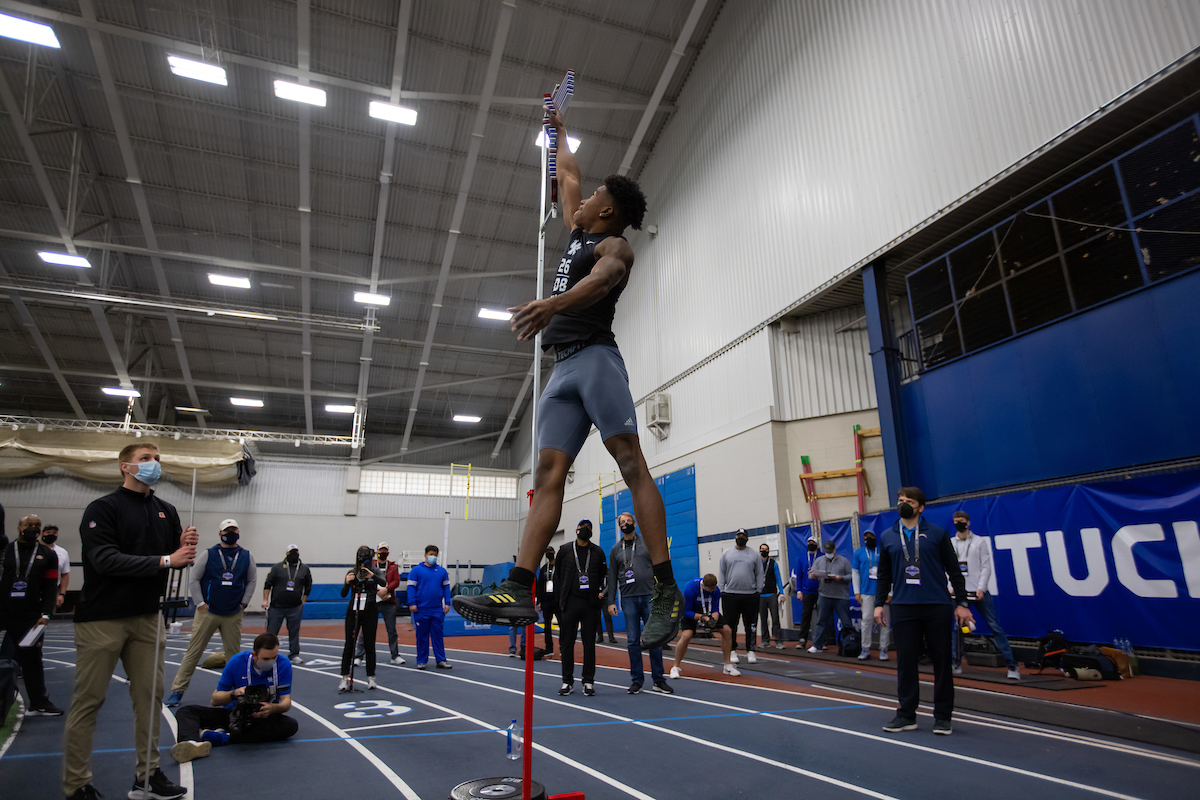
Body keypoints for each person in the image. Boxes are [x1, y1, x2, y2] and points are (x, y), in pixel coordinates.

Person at [453, 105, 682, 650]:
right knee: (547, 475)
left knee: (631, 463)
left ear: (607, 211)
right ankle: (519, 586)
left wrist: (552, 304)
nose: (581, 198)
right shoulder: (578, 229)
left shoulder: (613, 246)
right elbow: (569, 174)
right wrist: (558, 133)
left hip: (597, 360)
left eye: (594, 195)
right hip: (561, 370)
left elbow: (605, 279)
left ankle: (666, 590)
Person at [63, 442, 198, 800]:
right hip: (102, 618)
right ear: (125, 466)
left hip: (148, 617)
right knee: (89, 701)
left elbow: (175, 559)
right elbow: (105, 559)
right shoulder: (103, 508)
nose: (154, 464)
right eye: (145, 459)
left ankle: (147, 777)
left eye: (157, 459)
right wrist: (168, 559)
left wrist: (183, 547)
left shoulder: (167, 510)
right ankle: (76, 785)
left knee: (150, 699)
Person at [875, 487, 972, 736]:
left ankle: (943, 717)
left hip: (936, 605)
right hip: (903, 606)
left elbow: (954, 571)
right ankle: (906, 715)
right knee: (906, 662)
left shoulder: (937, 533)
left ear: (921, 507)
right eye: (900, 500)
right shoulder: (887, 536)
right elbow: (883, 574)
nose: (903, 504)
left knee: (942, 662)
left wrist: (962, 604)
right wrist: (878, 604)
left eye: (909, 501)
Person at [166, 519, 257, 707]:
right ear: (220, 533)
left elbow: (252, 580)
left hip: (233, 612)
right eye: (227, 530)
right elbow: (194, 578)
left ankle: (235, 694)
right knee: (194, 652)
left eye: (233, 529)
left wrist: (244, 603)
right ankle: (177, 690)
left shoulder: (247, 556)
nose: (230, 532)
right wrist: (200, 603)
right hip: (208, 612)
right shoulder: (209, 554)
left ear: (238, 532)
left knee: (233, 656)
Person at [170, 632, 298, 763]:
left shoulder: (283, 664)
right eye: (265, 659)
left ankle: (224, 737)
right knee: (186, 711)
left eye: (274, 658)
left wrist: (272, 708)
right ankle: (190, 744)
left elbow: (286, 702)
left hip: (263, 717)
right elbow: (215, 700)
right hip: (233, 715)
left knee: (291, 726)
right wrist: (233, 694)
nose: (270, 662)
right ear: (254, 655)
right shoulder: (237, 662)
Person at [0, 514, 62, 715]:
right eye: (29, 525)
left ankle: (38, 703)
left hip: (31, 616)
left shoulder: (48, 555)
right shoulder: (6, 551)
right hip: (3, 610)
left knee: (32, 660)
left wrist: (46, 614)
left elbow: (51, 587)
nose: (33, 528)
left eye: (37, 525)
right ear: (19, 527)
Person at [950, 511, 1019, 680]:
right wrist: (950, 586)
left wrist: (981, 588)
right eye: (956, 521)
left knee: (994, 626)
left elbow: (986, 566)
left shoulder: (979, 542)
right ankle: (955, 663)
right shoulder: (951, 543)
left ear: (968, 522)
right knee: (957, 629)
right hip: (959, 593)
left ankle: (1012, 666)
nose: (959, 524)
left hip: (978, 592)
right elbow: (947, 568)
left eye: (961, 521)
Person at [608, 513, 671, 694]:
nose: (625, 524)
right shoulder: (615, 550)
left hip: (650, 596)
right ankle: (637, 680)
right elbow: (612, 576)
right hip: (628, 599)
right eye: (622, 522)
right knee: (632, 641)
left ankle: (658, 679)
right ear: (619, 526)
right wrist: (611, 601)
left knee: (654, 638)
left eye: (628, 521)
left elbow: (659, 567)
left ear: (635, 524)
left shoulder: (647, 543)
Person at [553, 520, 607, 696]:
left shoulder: (597, 552)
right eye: (583, 528)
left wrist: (601, 593)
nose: (586, 531)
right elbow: (558, 576)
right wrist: (560, 600)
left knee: (589, 643)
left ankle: (588, 681)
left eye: (589, 529)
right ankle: (567, 681)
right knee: (567, 643)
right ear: (577, 530)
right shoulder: (565, 550)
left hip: (590, 604)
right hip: (570, 602)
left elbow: (604, 575)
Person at [670, 574, 738, 678]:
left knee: (727, 631)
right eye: (709, 589)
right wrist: (702, 617)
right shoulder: (690, 589)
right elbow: (686, 611)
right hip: (692, 612)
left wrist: (714, 616)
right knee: (686, 636)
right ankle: (675, 666)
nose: (711, 591)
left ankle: (728, 665)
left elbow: (715, 608)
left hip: (707, 611)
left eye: (713, 589)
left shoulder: (716, 590)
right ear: (703, 586)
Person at [339, 545, 386, 690]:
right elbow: (343, 593)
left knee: (370, 644)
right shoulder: (352, 572)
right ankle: (344, 677)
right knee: (349, 644)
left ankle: (371, 677)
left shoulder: (375, 571)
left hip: (370, 608)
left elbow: (384, 583)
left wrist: (372, 576)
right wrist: (347, 582)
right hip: (354, 609)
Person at [262, 544, 312, 665]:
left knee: (294, 631)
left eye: (296, 552)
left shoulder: (304, 569)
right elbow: (268, 584)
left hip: (295, 607)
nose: (294, 554)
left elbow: (308, 586)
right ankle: (268, 654)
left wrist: (303, 601)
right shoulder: (277, 567)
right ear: (286, 554)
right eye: (291, 552)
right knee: (271, 633)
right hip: (276, 607)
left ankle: (294, 654)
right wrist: (265, 600)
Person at [356, 542, 404, 666]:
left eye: (385, 550)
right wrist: (378, 592)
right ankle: (359, 655)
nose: (383, 552)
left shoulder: (393, 566)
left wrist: (386, 590)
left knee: (392, 630)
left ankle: (395, 655)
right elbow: (366, 580)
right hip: (373, 601)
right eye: (381, 550)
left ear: (388, 552)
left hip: (389, 602)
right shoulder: (371, 566)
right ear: (377, 551)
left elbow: (396, 581)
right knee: (366, 629)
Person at [718, 529, 763, 664]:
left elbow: (759, 573)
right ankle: (732, 650)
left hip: (750, 595)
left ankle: (751, 651)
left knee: (751, 624)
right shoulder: (727, 554)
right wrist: (721, 590)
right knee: (731, 625)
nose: (741, 538)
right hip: (730, 595)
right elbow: (721, 572)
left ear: (747, 538)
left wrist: (758, 590)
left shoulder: (754, 555)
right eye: (739, 536)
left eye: (743, 536)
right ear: (735, 537)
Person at [408, 544, 452, 670]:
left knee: (438, 635)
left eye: (435, 555)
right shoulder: (416, 570)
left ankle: (441, 660)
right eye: (431, 554)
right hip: (421, 609)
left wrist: (447, 603)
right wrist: (412, 603)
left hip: (437, 609)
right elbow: (411, 588)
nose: (433, 557)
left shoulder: (442, 571)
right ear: (425, 555)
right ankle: (421, 660)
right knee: (422, 636)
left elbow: (446, 588)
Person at [807, 540, 853, 654]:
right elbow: (810, 573)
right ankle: (817, 645)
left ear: (835, 550)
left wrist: (841, 578)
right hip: (824, 595)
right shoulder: (819, 560)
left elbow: (851, 576)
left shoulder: (844, 561)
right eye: (827, 552)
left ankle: (850, 644)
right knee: (821, 621)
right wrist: (813, 576)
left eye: (830, 551)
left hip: (841, 596)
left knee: (846, 621)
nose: (829, 554)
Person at [853, 532, 890, 661]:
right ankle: (865, 648)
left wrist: (890, 592)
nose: (868, 539)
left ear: (875, 537)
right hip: (866, 592)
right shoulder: (858, 553)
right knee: (866, 620)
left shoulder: (883, 552)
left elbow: (890, 572)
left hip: (882, 592)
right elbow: (855, 573)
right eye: (866, 537)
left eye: (871, 537)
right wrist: (857, 592)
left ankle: (884, 648)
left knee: (884, 621)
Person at [793, 534, 821, 649]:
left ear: (816, 544)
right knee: (806, 615)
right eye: (809, 542)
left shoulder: (821, 556)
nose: (811, 544)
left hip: (820, 591)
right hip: (807, 591)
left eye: (813, 543)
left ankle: (822, 640)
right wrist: (799, 591)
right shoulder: (802, 558)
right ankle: (802, 639)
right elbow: (799, 575)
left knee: (822, 615)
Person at [758, 544, 786, 650]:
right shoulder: (756, 564)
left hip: (772, 594)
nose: (764, 551)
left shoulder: (773, 563)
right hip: (760, 595)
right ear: (759, 550)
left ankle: (779, 641)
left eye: (766, 549)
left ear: (769, 551)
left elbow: (778, 579)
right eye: (762, 549)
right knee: (763, 619)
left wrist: (782, 593)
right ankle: (765, 641)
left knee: (775, 618)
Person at [40, 524, 70, 610]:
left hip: (52, 589)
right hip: (35, 588)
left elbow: (65, 574)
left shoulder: (62, 552)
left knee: (47, 614)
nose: (51, 535)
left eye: (54, 533)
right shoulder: (35, 549)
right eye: (48, 532)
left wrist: (62, 594)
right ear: (42, 534)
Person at [535, 547, 558, 659]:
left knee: (563, 624)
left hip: (557, 600)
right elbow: (539, 586)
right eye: (546, 552)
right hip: (546, 600)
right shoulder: (544, 568)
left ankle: (564, 648)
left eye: (550, 552)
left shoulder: (560, 567)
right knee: (547, 626)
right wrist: (539, 601)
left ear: (554, 553)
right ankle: (549, 648)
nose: (548, 554)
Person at [596, 580, 617, 645]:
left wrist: (603, 593)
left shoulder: (607, 575)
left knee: (607, 616)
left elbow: (610, 584)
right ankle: (600, 636)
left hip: (605, 597)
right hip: (596, 598)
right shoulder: (595, 575)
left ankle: (611, 637)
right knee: (597, 617)